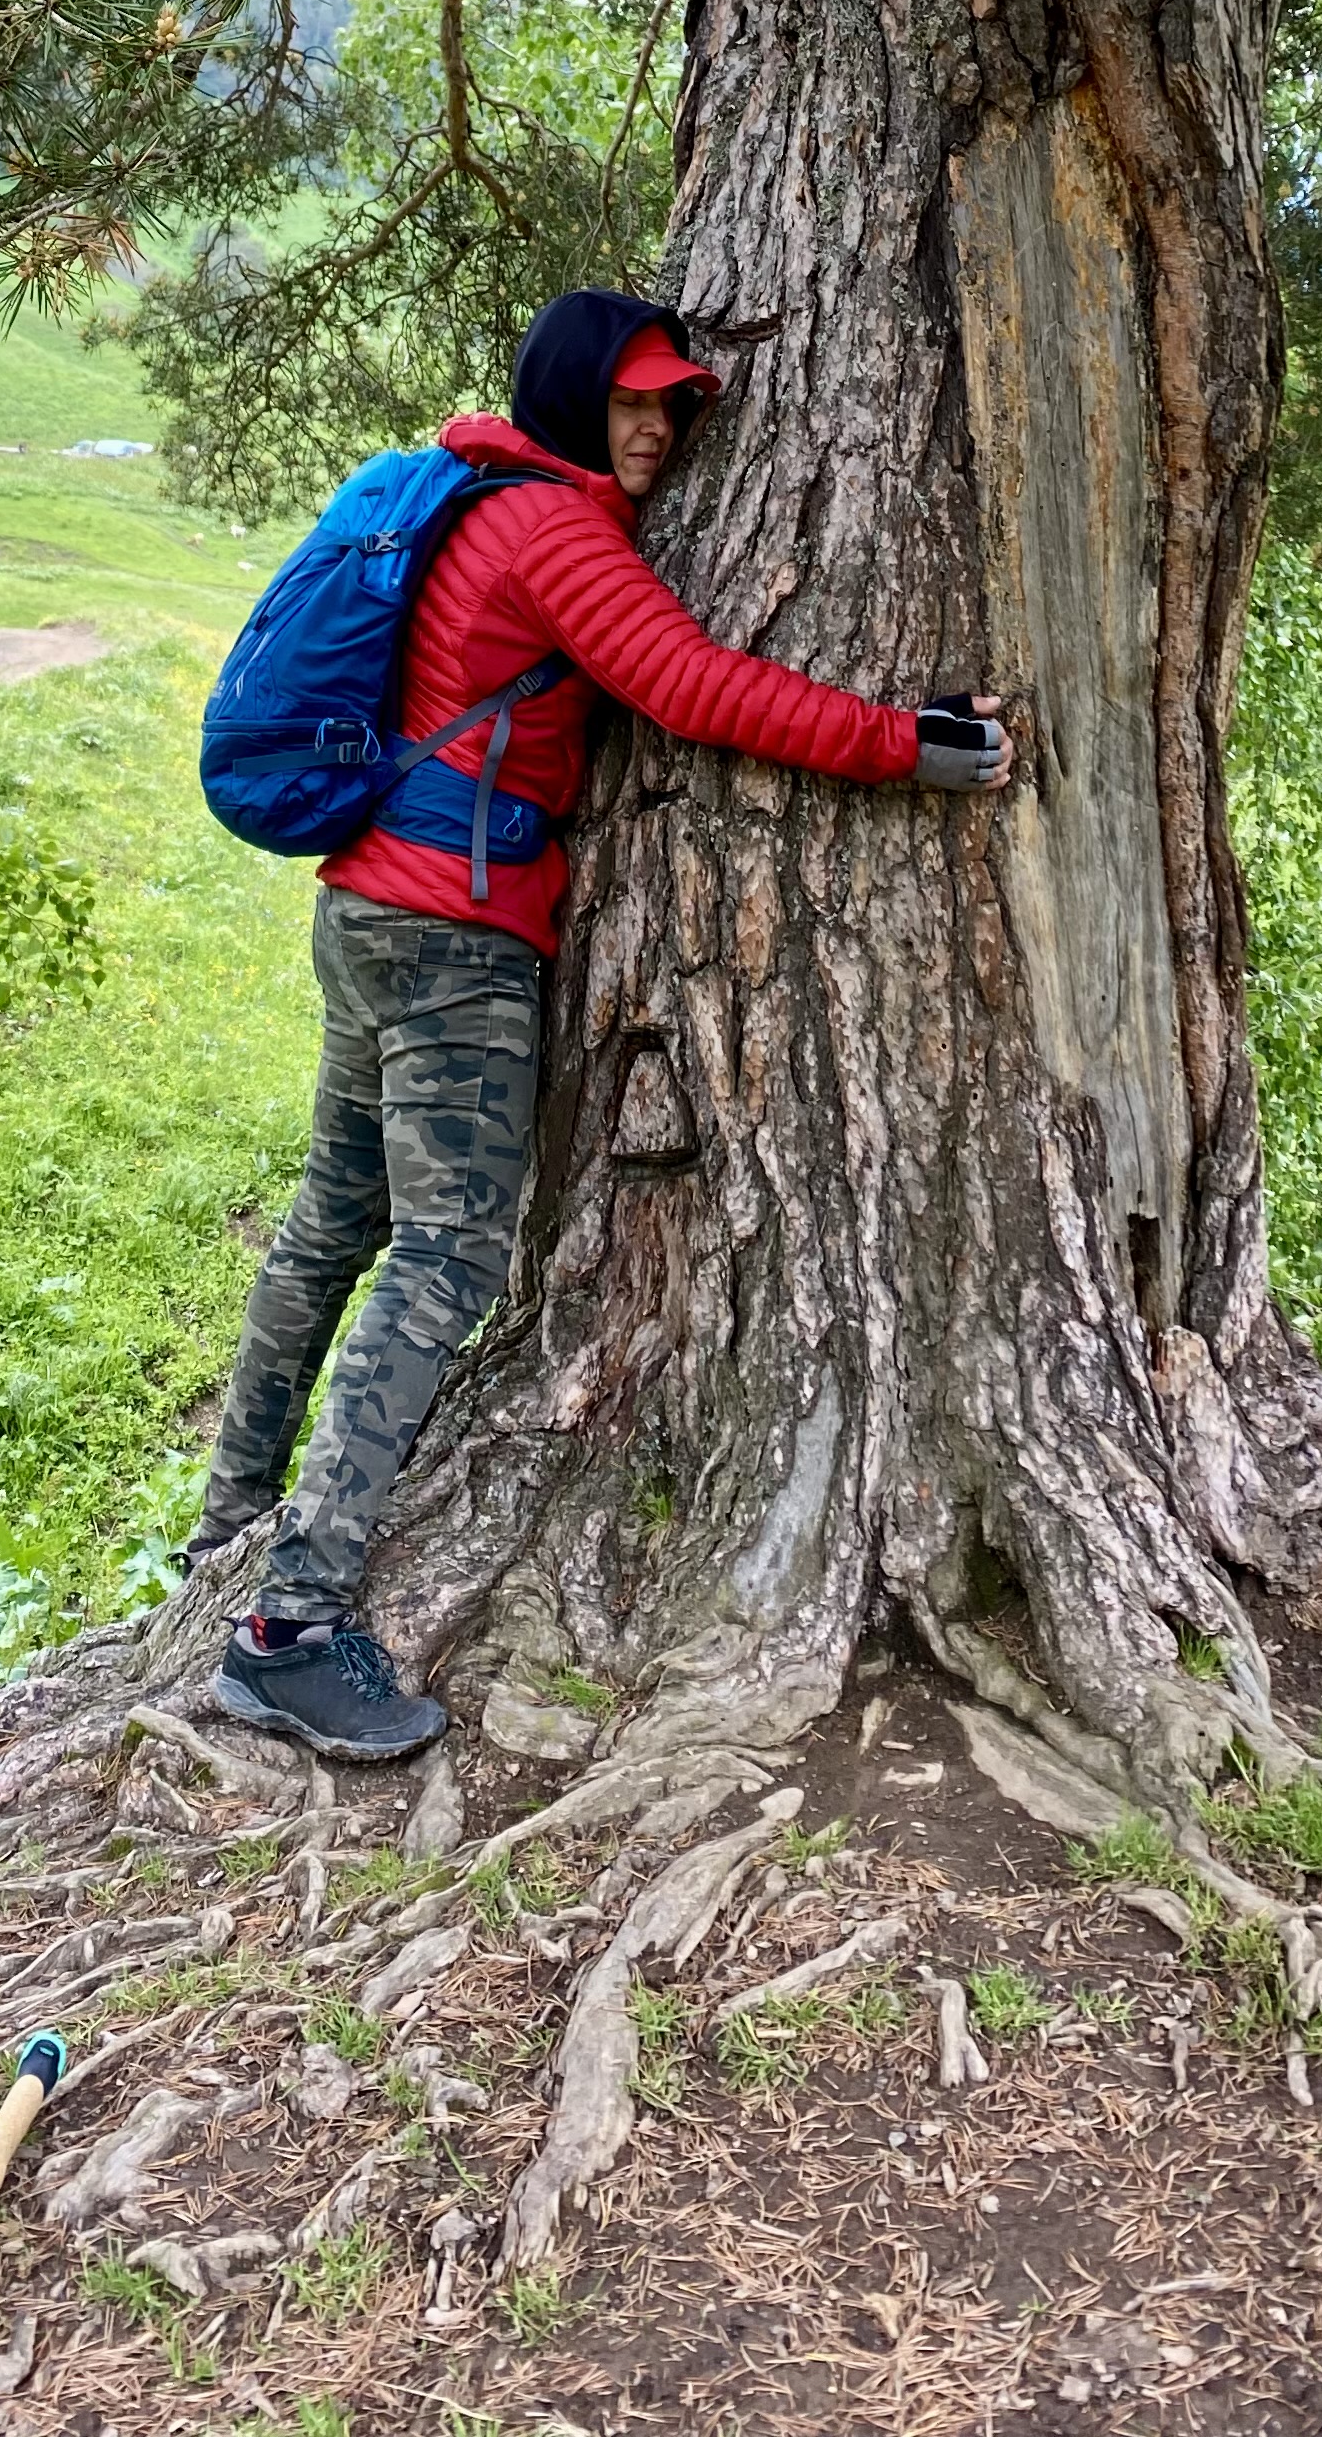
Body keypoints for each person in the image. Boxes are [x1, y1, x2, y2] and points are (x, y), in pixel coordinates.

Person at [190, 285, 1014, 1761]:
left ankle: (229, 1523)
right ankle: (287, 1631)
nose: (655, 427)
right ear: (573, 394)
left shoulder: (480, 494)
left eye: (672, 404)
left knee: (335, 1223)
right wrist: (910, 744)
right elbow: (691, 688)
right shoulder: (557, 531)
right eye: (632, 400)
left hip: (369, 906)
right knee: (445, 1258)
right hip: (453, 934)